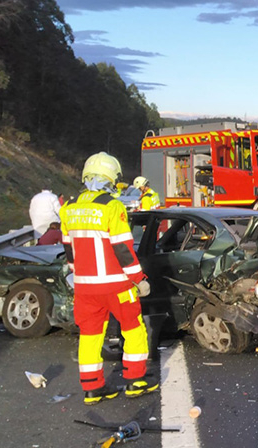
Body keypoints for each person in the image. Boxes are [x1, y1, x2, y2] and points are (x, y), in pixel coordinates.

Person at [60, 152, 158, 405]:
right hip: (116, 284)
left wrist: (75, 271)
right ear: (110, 177)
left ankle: (92, 388)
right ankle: (135, 381)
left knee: (90, 335)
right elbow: (122, 248)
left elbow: (68, 247)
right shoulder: (112, 206)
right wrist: (139, 279)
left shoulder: (68, 208)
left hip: (84, 287)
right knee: (133, 329)